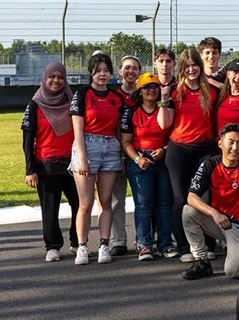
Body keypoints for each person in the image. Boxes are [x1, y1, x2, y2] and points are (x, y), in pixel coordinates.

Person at [181, 124, 239, 280]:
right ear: (220, 143)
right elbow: (191, 197)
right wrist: (214, 213)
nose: (235, 147)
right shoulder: (210, 164)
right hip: (220, 221)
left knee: (233, 272)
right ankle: (202, 262)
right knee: (188, 211)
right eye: (231, 142)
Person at [158, 49, 219, 263]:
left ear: (200, 67)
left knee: (204, 197)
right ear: (181, 69)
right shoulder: (175, 92)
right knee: (180, 200)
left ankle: (209, 243)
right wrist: (164, 100)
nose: (191, 69)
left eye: (195, 65)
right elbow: (164, 124)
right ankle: (185, 246)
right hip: (179, 148)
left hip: (205, 148)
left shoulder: (210, 91)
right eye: (187, 66)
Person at [69, 53, 128, 265]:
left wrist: (121, 156)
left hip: (111, 147)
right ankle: (82, 246)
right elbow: (77, 128)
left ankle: (104, 244)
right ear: (91, 73)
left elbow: (120, 131)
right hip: (87, 145)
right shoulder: (82, 94)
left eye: (106, 70)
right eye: (98, 70)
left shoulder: (117, 98)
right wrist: (82, 157)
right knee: (85, 203)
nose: (102, 75)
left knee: (106, 202)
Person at [22, 61, 80, 262]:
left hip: (73, 162)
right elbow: (27, 140)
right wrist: (30, 170)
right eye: (52, 77)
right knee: (50, 208)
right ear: (45, 78)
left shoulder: (73, 100)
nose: (56, 81)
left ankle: (77, 241)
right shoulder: (35, 104)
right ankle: (53, 246)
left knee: (80, 204)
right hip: (46, 164)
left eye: (61, 77)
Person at [119, 72, 174, 261]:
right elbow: (125, 141)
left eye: (155, 87)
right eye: (146, 87)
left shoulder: (167, 108)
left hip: (163, 159)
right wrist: (137, 159)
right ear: (139, 91)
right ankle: (144, 244)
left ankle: (165, 243)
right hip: (140, 160)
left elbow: (175, 134)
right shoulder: (131, 112)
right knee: (143, 204)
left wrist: (165, 149)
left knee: (165, 203)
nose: (151, 90)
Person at [109, 55, 142, 256]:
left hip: (141, 153)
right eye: (126, 68)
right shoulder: (113, 97)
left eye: (135, 68)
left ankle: (143, 238)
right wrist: (120, 155)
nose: (130, 71)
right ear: (120, 71)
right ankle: (117, 240)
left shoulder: (146, 93)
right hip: (116, 153)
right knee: (116, 199)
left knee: (143, 200)